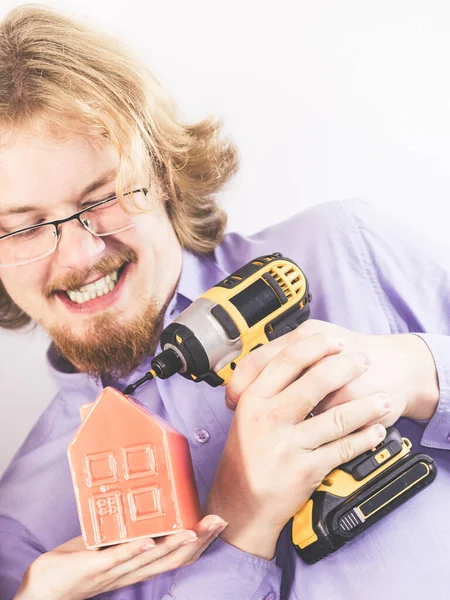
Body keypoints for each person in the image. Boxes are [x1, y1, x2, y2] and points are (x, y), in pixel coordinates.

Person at [0, 5, 449, 600]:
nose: (81, 254)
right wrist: (240, 523)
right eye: (22, 228)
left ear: (163, 173)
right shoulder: (28, 539)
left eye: (102, 196)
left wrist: (421, 370)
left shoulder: (346, 251)